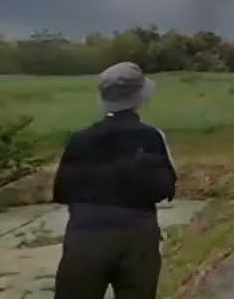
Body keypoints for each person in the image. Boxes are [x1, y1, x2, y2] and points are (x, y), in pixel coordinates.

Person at [52, 62, 177, 299]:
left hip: (85, 235)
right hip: (136, 235)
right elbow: (165, 188)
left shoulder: (79, 139)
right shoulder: (152, 137)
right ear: (140, 97)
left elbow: (62, 190)